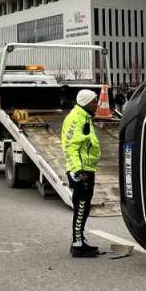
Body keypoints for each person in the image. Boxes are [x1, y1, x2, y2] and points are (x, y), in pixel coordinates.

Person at [62, 89, 101, 257]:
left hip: (87, 169)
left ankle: (80, 239)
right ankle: (77, 243)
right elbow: (71, 146)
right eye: (94, 102)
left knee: (84, 206)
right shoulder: (76, 118)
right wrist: (77, 171)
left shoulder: (84, 117)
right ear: (86, 103)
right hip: (81, 171)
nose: (97, 104)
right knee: (81, 206)